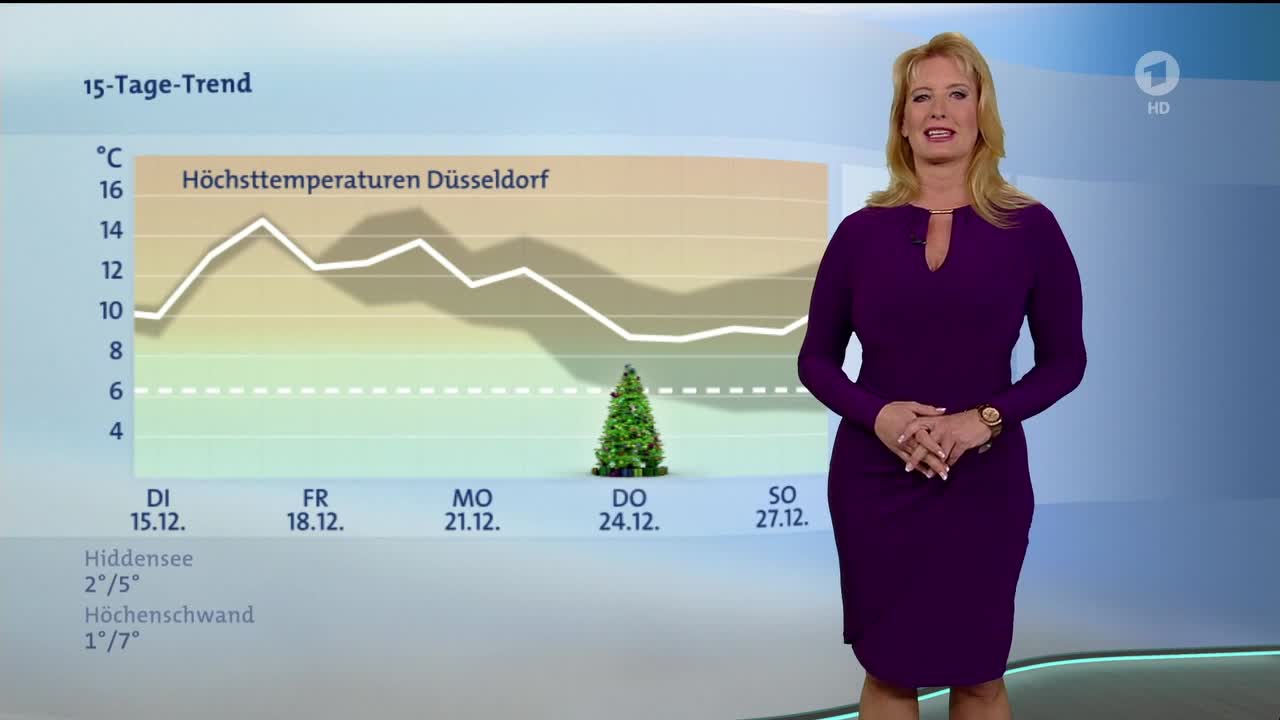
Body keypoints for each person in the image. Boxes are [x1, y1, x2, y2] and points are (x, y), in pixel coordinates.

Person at [796, 32, 1086, 720]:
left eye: (957, 93)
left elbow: (1065, 361)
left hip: (984, 483)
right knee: (890, 673)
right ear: (902, 121)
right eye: (920, 96)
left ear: (983, 111)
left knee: (979, 675)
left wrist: (983, 420)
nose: (939, 110)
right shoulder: (859, 233)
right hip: (876, 480)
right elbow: (815, 360)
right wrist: (880, 416)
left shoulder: (1031, 228)